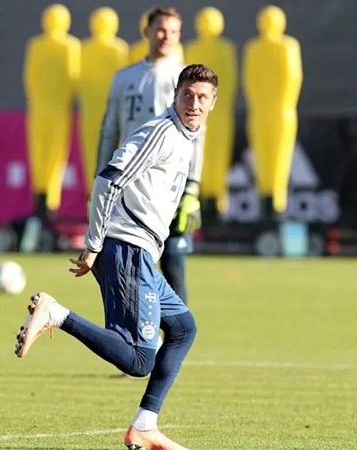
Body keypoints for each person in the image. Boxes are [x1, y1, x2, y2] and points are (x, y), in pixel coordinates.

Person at [15, 63, 219, 450]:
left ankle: (145, 425)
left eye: (202, 98)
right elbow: (109, 178)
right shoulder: (161, 132)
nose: (194, 103)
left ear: (213, 104)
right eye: (187, 95)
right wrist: (94, 243)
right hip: (127, 245)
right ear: (174, 95)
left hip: (141, 251)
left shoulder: (187, 136)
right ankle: (56, 313)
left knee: (183, 328)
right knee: (139, 360)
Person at [97, 6, 202, 304]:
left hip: (170, 186)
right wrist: (99, 177)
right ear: (146, 32)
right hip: (129, 185)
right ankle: (138, 336)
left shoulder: (184, 80)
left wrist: (192, 188)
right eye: (160, 29)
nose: (166, 36)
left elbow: (199, 137)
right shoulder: (124, 78)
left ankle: (174, 340)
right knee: (129, 263)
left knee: (173, 265)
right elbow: (109, 131)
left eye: (173, 31)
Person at [242, 5, 302, 218]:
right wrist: (258, 103)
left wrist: (281, 104)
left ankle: (277, 199)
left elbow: (292, 77)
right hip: (260, 110)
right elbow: (250, 79)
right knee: (261, 156)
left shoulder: (288, 46)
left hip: (281, 110)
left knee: (279, 156)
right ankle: (265, 197)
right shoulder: (253, 48)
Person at [23, 3, 80, 217]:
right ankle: (42, 202)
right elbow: (32, 77)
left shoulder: (68, 46)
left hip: (51, 109)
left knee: (53, 156)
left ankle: (47, 203)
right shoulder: (39, 45)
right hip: (46, 109)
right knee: (44, 155)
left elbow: (71, 78)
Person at [184, 7, 238, 219]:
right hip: (200, 112)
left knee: (218, 154)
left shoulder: (226, 48)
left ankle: (216, 198)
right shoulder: (192, 48)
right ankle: (202, 196)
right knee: (199, 154)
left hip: (219, 110)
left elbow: (230, 78)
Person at [78, 7, 129, 192]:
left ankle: (96, 199)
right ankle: (97, 200)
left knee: (99, 158)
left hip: (101, 113)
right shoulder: (116, 49)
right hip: (103, 113)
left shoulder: (117, 49)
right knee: (105, 158)